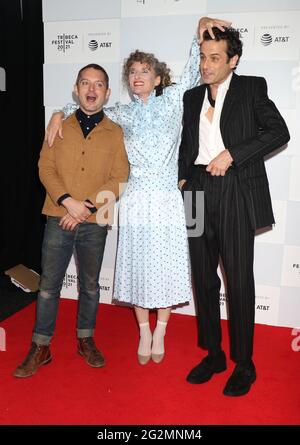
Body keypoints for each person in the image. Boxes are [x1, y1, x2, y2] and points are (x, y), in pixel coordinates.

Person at [45, 17, 231, 365]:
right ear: (128, 81)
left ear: (158, 78)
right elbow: (86, 108)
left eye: (145, 70)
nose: (138, 75)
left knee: (167, 268)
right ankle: (143, 330)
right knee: (137, 268)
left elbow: (194, 68)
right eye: (132, 71)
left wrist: (199, 29)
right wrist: (58, 112)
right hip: (134, 201)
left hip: (167, 200)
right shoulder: (121, 114)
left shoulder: (175, 100)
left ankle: (161, 329)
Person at [178, 26, 290, 395]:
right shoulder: (192, 96)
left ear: (233, 60)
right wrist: (183, 179)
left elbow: (279, 132)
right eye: (203, 57)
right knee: (203, 277)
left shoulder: (251, 87)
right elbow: (187, 143)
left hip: (234, 190)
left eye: (215, 58)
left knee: (238, 279)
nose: (206, 65)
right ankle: (213, 353)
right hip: (195, 191)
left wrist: (234, 154)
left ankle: (244, 363)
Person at [13, 64, 129, 378]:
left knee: (90, 287)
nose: (92, 90)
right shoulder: (58, 126)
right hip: (57, 215)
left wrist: (87, 207)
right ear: (76, 90)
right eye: (85, 83)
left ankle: (85, 339)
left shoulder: (116, 132)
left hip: (96, 219)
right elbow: (44, 167)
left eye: (99, 84)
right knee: (49, 287)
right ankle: (41, 346)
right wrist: (67, 202)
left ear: (106, 92)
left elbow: (120, 177)